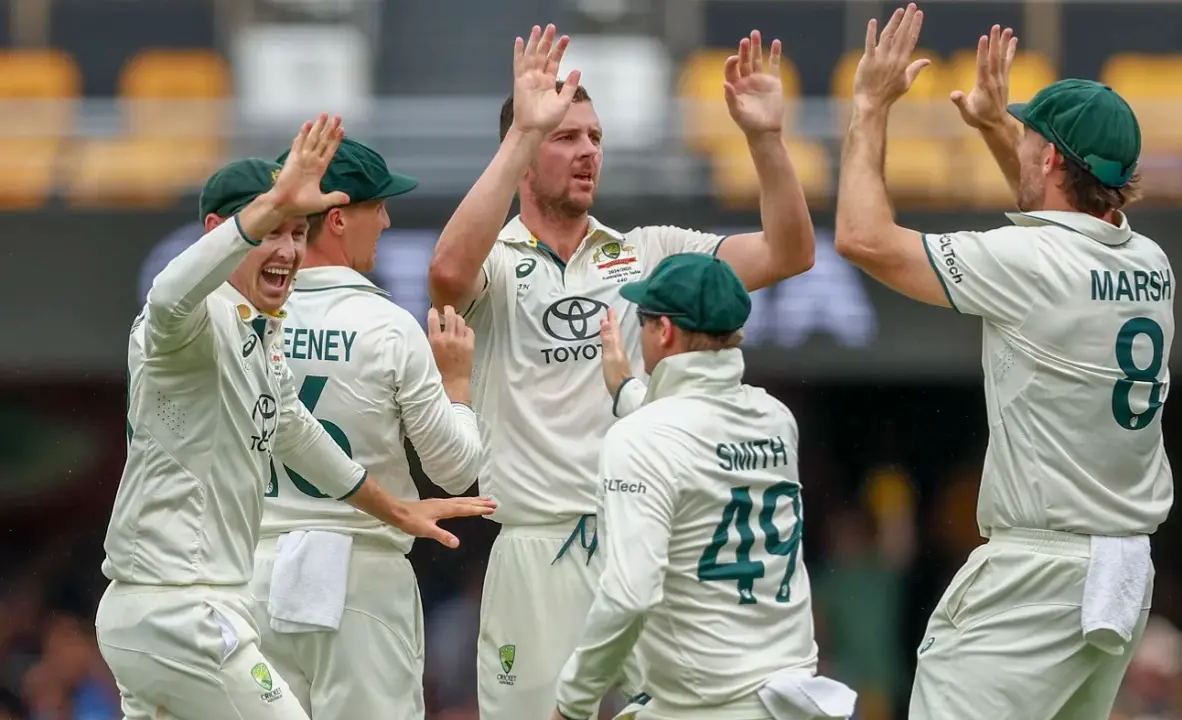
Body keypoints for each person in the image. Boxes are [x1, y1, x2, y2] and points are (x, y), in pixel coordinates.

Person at [426, 24, 817, 719]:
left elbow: (789, 252)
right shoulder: (494, 256)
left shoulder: (649, 251)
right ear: (519, 154)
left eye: (595, 139)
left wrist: (764, 140)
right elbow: (446, 275)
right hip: (536, 547)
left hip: (643, 537)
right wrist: (523, 129)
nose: (586, 153)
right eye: (564, 136)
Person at [96, 114, 497, 720]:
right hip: (188, 611)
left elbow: (300, 435)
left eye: (295, 233)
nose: (289, 249)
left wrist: (397, 508)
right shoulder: (185, 323)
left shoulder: (260, 334)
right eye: (272, 231)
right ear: (222, 232)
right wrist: (457, 386)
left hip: (215, 597)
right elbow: (169, 292)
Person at [834, 7, 1173, 718]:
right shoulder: (1150, 261)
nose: (1018, 143)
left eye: (1027, 137)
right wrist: (994, 127)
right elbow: (1058, 237)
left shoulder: (1032, 264)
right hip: (1119, 570)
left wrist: (869, 104)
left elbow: (863, 237)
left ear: (1049, 159)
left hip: (1036, 572)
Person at [551, 253, 855, 720]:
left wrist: (573, 703)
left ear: (665, 331)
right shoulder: (776, 420)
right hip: (791, 701)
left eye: (645, 321)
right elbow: (699, 442)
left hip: (709, 707)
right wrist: (629, 393)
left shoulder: (641, 439)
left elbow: (630, 595)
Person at [245, 137, 486, 720]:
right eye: (376, 205)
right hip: (361, 576)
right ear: (335, 219)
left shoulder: (242, 315)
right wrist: (457, 384)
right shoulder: (387, 325)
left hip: (251, 572)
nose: (386, 218)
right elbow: (455, 471)